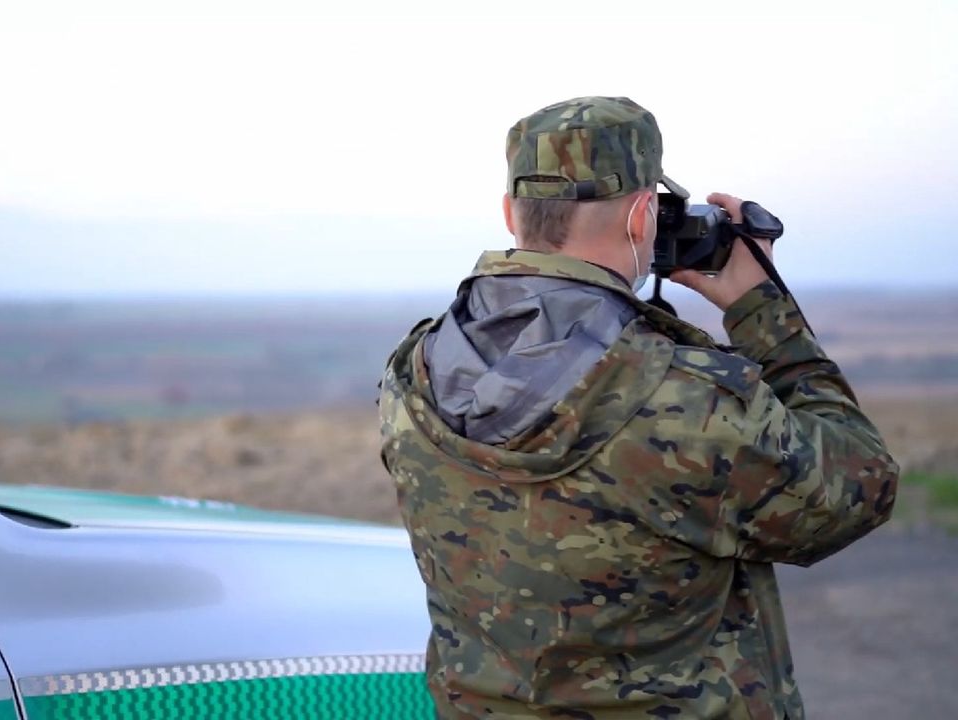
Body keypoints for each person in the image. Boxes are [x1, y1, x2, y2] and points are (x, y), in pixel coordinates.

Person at [378, 96, 899, 720]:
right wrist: (764, 309)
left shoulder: (416, 368)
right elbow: (858, 489)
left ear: (511, 214)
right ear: (641, 215)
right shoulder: (682, 398)